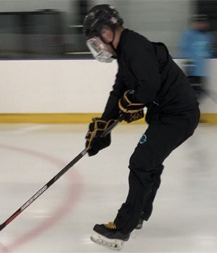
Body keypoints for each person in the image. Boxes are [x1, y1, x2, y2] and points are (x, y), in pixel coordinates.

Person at [82, 4, 200, 250]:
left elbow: (149, 86)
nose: (99, 48)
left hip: (177, 117)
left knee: (141, 163)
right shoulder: (125, 52)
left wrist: (134, 100)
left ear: (106, 33)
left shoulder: (134, 46)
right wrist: (103, 125)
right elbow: (119, 91)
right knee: (148, 164)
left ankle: (121, 229)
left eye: (96, 41)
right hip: (166, 116)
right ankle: (139, 215)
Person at [179, 14, 214, 106]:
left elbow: (209, 51)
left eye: (203, 23)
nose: (201, 25)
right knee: (193, 93)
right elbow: (185, 49)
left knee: (200, 93)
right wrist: (188, 63)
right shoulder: (188, 34)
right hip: (193, 70)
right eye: (198, 23)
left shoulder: (208, 36)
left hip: (202, 71)